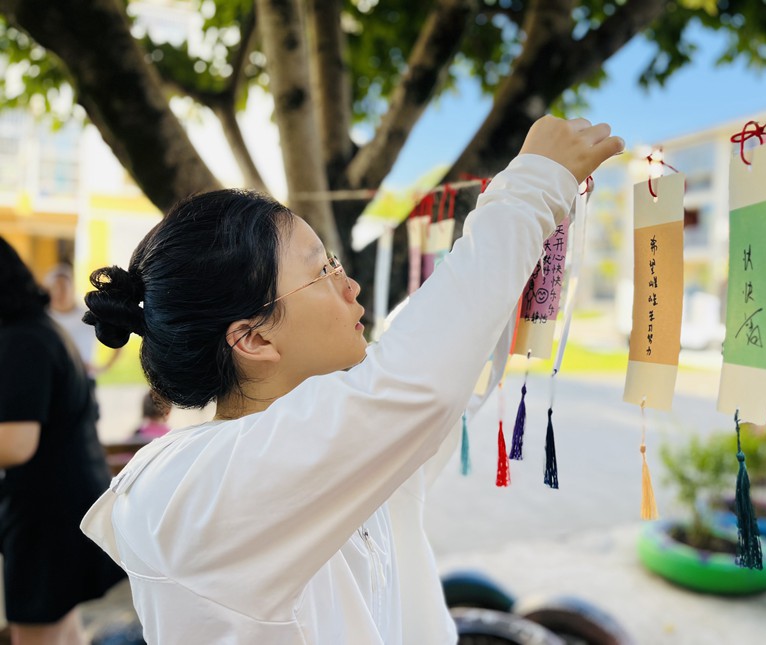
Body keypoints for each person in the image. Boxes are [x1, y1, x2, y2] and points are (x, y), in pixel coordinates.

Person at [80, 116, 624, 643]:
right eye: (321, 271)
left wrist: (536, 236)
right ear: (254, 339)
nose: (351, 285)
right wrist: (532, 187)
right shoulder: (202, 487)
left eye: (334, 261)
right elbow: (416, 383)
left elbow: (444, 356)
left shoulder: (342, 444)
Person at [0, 239, 126, 645]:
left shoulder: (22, 341)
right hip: (61, 505)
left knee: (36, 634)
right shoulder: (35, 330)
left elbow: (16, 443)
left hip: (47, 513)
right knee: (63, 631)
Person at [45, 263, 122, 378]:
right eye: (55, 288)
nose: (59, 293)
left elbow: (119, 336)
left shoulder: (90, 314)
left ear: (72, 288)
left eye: (64, 287)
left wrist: (104, 367)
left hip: (83, 379)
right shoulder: (43, 318)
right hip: (52, 380)